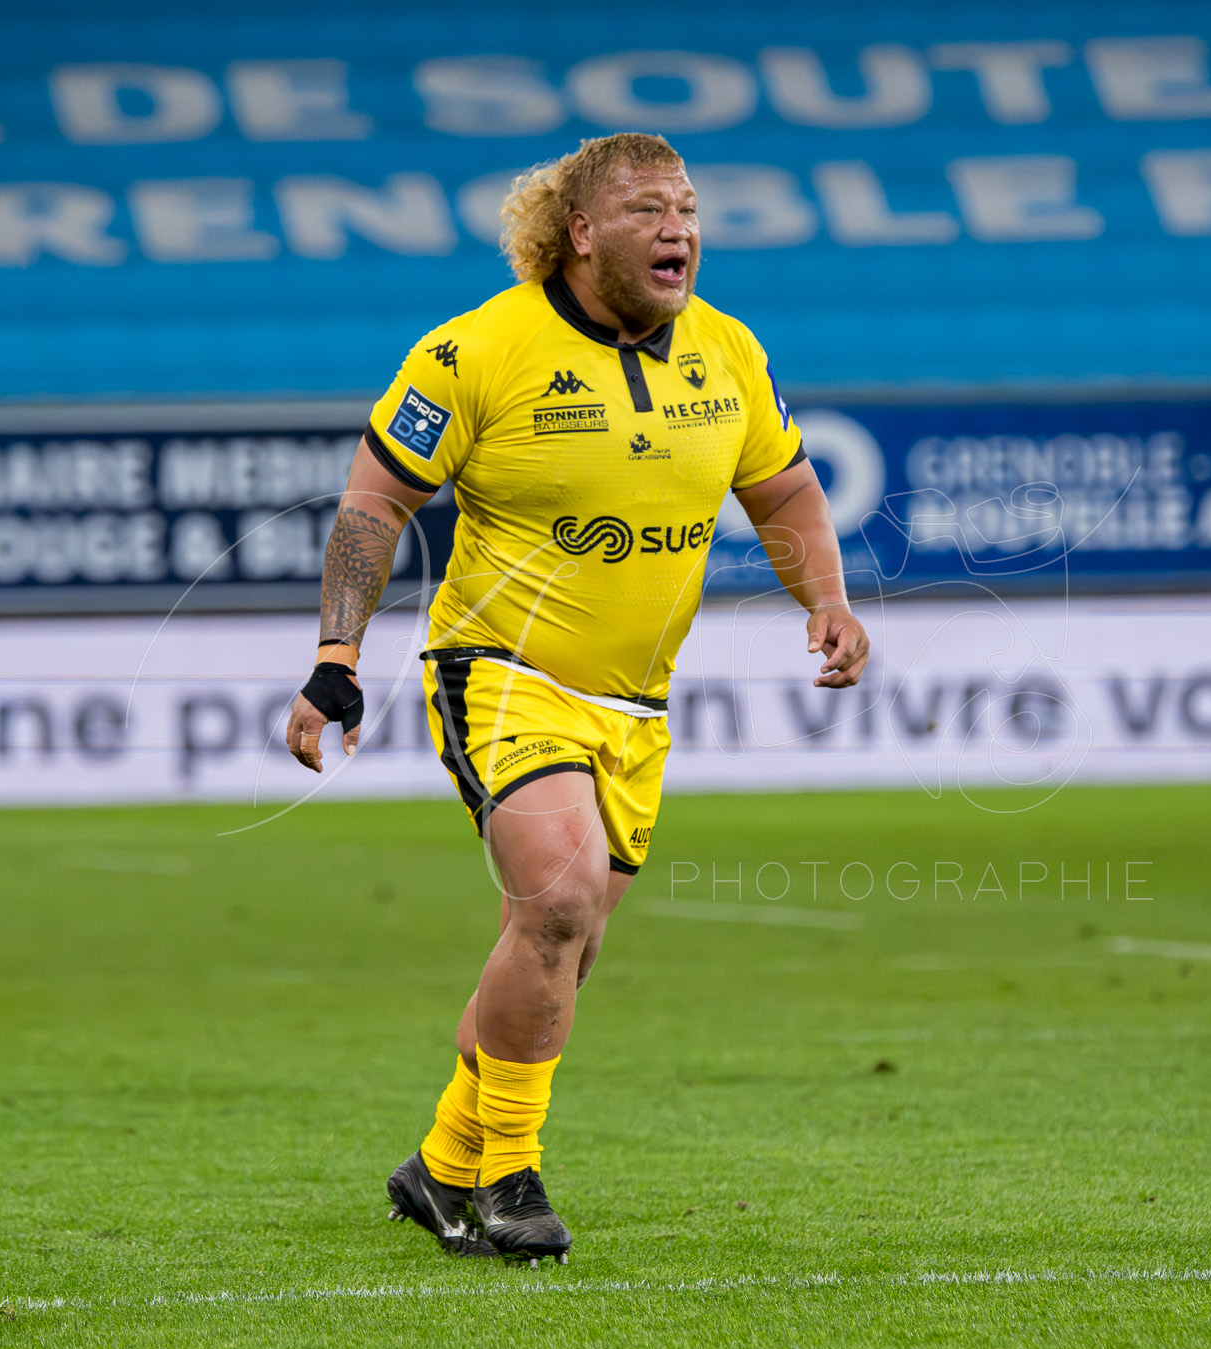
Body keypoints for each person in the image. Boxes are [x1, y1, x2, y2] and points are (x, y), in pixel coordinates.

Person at [285, 133, 869, 1263]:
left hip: (633, 705)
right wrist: (335, 659)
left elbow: (788, 492)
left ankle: (441, 1164)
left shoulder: (730, 354)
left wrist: (827, 599)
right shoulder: (475, 353)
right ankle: (504, 1180)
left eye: (689, 208)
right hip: (497, 670)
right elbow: (371, 506)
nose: (679, 229)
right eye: (649, 208)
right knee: (555, 903)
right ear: (579, 232)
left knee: (558, 947)